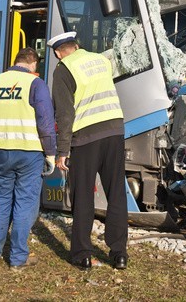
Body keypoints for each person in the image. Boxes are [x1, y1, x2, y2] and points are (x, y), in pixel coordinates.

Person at [47, 32, 129, 270]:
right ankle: (119, 253)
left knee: (82, 195)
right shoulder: (102, 60)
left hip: (85, 137)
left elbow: (64, 113)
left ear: (57, 52)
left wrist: (62, 151)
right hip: (114, 131)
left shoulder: (63, 69)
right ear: (77, 45)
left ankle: (82, 253)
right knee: (116, 193)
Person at [0, 47, 56, 270]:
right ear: (32, 62)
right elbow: (45, 122)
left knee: (2, 200)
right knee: (24, 202)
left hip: (4, 150)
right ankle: (17, 259)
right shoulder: (36, 83)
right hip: (30, 153)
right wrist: (50, 154)